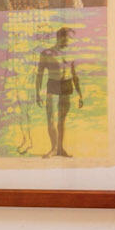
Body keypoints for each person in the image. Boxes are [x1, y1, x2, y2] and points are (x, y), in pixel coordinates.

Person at [35, 26, 83, 157]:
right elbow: (39, 74)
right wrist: (37, 93)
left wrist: (80, 95)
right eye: (68, 38)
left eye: (71, 38)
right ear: (60, 37)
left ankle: (61, 149)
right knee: (50, 119)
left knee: (62, 120)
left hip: (67, 85)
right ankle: (54, 148)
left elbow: (75, 75)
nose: (70, 41)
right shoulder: (47, 53)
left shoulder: (71, 53)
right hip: (53, 85)